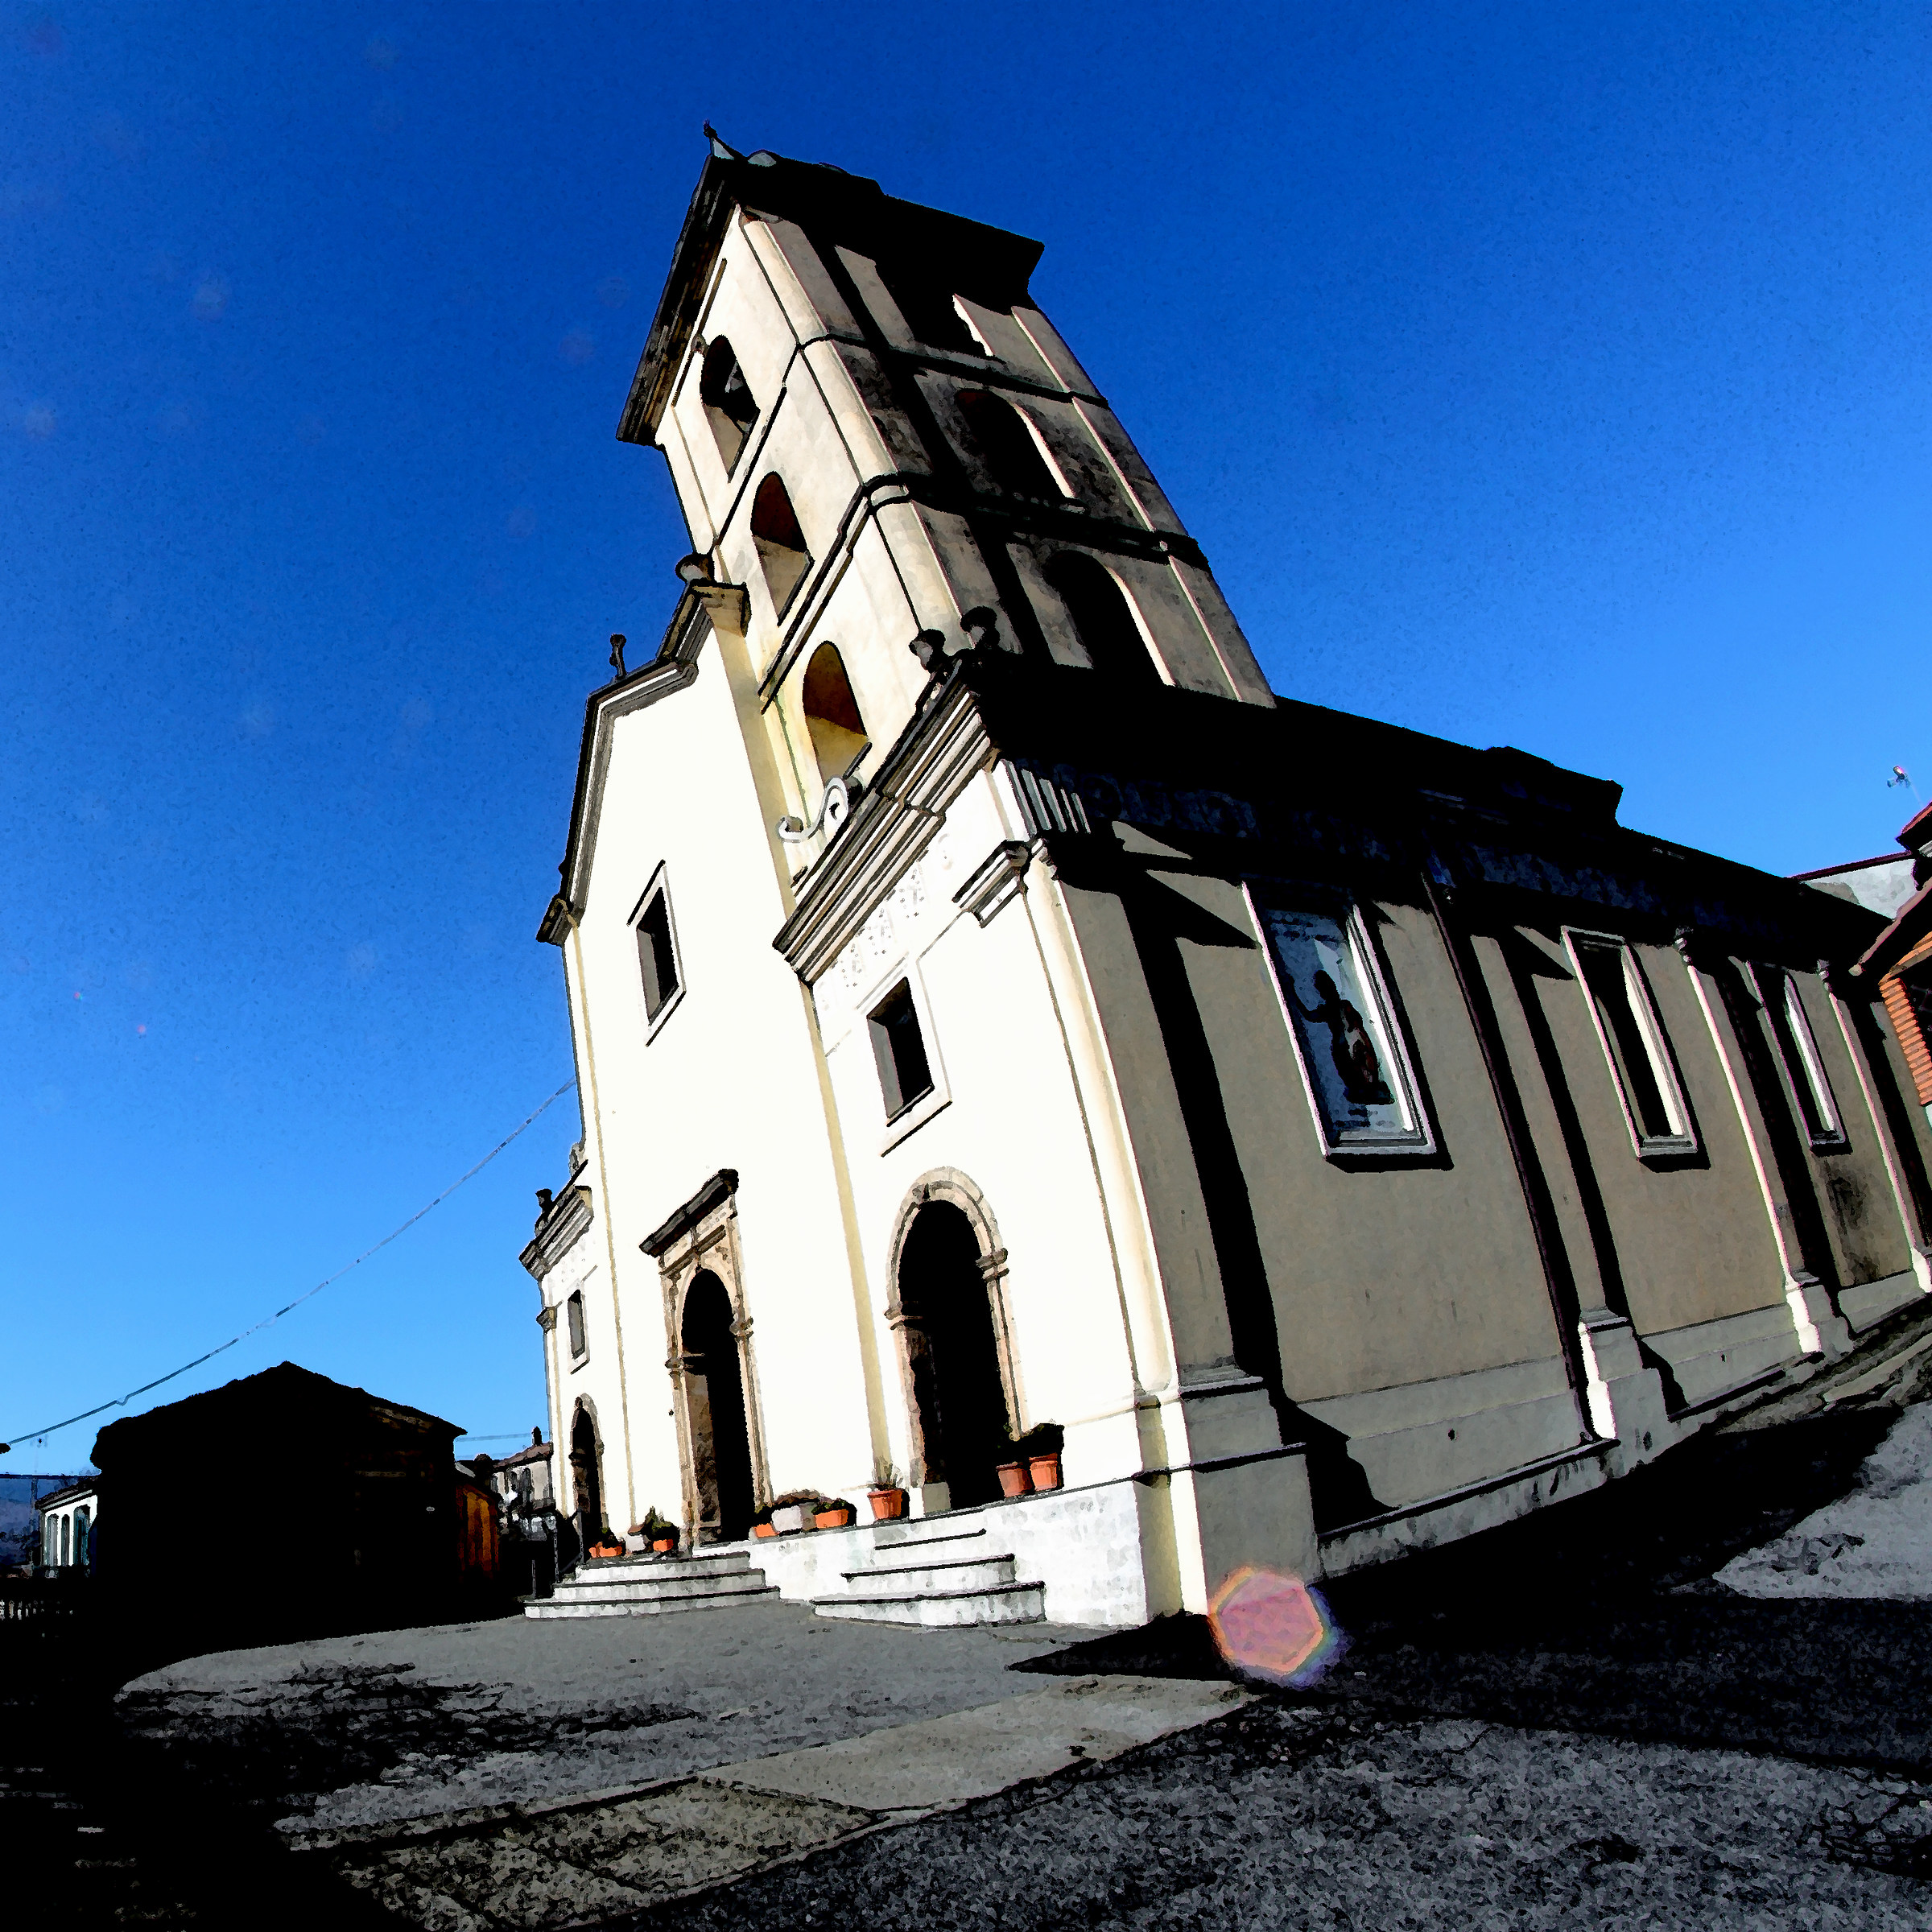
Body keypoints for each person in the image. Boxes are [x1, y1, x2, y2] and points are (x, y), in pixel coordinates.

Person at [1289, 968, 1393, 1107]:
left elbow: (1310, 1016)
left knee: (1358, 1067)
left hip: (1349, 1043)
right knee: (1357, 1069)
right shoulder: (1340, 1006)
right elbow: (1311, 1016)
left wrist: (1292, 992)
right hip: (1353, 1041)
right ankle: (1368, 1090)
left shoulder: (1338, 1006)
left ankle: (1369, 1090)